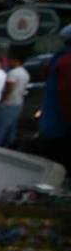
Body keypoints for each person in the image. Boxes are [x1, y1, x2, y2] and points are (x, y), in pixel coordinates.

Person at [36, 24, 71, 171]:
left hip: (53, 129)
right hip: (63, 132)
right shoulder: (66, 62)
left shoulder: (58, 59)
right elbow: (67, 97)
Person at [0, 53, 29, 148]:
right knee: (11, 128)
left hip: (9, 103)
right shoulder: (25, 73)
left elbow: (8, 90)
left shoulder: (13, 73)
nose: (8, 62)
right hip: (18, 103)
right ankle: (8, 146)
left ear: (15, 61)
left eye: (10, 60)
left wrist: (1, 101)